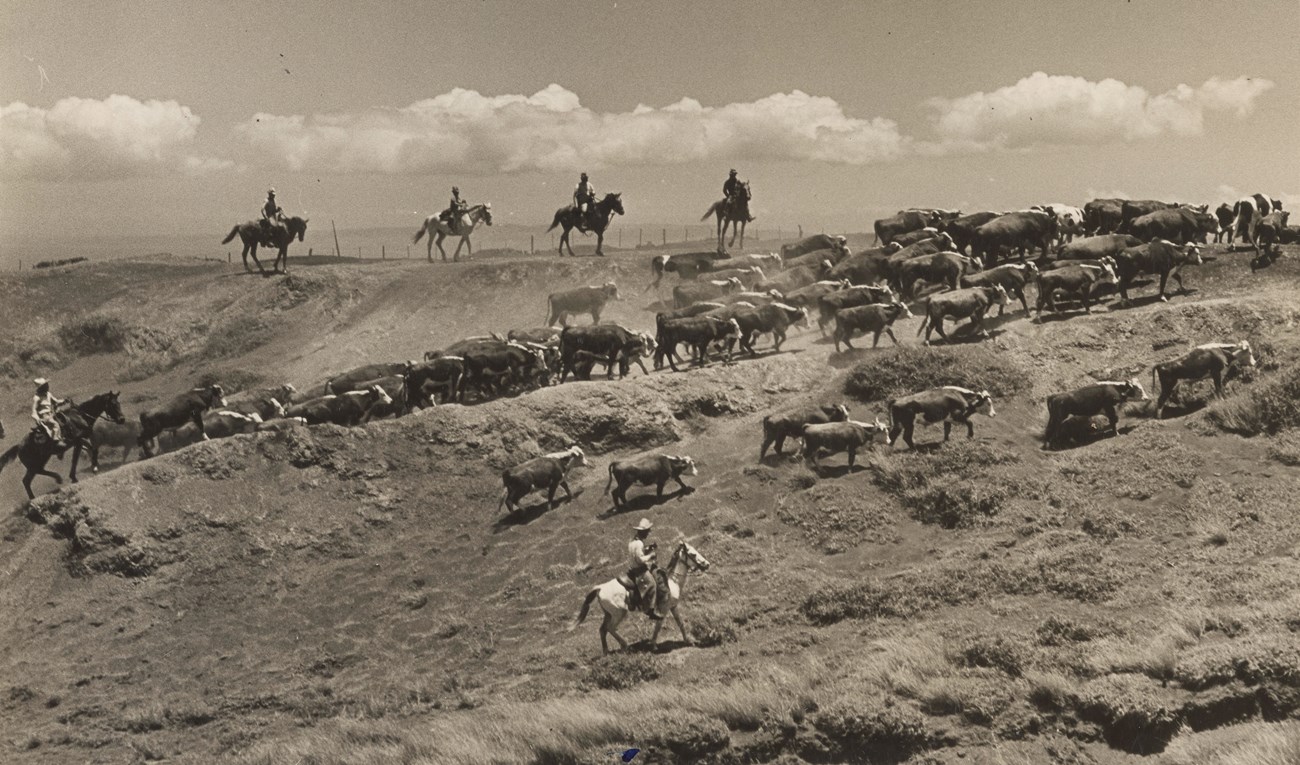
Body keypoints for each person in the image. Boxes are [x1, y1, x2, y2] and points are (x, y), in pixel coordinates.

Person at [627, 518, 659, 615]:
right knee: (653, 585)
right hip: (640, 571)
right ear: (643, 532)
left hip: (632, 569)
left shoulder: (632, 542)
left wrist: (648, 548)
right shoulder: (639, 543)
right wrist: (651, 555)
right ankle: (650, 610)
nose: (648, 533)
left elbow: (638, 553)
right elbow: (640, 559)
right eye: (647, 532)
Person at [31, 378, 66, 448]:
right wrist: (37, 419)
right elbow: (34, 410)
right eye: (45, 385)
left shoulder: (48, 394)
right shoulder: (37, 398)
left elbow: (56, 401)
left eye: (47, 385)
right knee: (55, 424)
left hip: (52, 414)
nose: (47, 386)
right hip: (45, 417)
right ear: (41, 387)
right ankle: (56, 440)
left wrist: (63, 401)